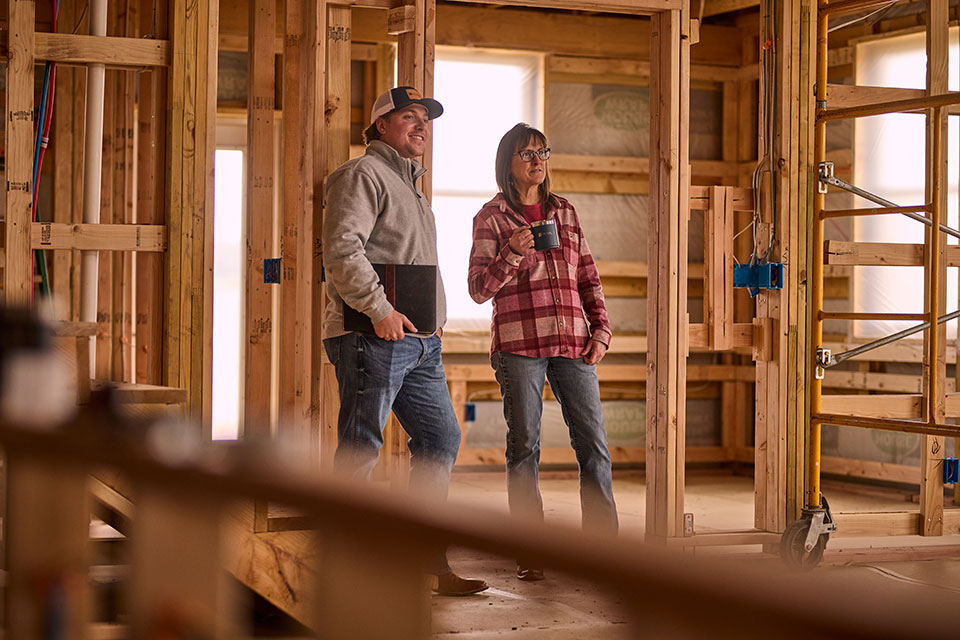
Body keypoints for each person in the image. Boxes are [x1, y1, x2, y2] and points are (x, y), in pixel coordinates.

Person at [322, 86, 488, 596]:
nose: (421, 126)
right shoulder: (361, 175)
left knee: (440, 440)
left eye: (426, 119)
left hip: (420, 343)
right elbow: (342, 251)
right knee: (360, 448)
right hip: (372, 336)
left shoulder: (411, 186)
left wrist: (433, 321)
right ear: (380, 127)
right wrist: (379, 311)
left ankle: (425, 560)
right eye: (408, 117)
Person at [468, 123, 619, 581]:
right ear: (507, 164)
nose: (537, 159)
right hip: (519, 347)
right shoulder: (491, 218)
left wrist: (602, 332)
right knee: (524, 448)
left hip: (573, 344)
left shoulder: (565, 212)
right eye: (527, 153)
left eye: (542, 152)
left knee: (593, 445)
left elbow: (588, 278)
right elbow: (478, 290)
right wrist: (512, 252)